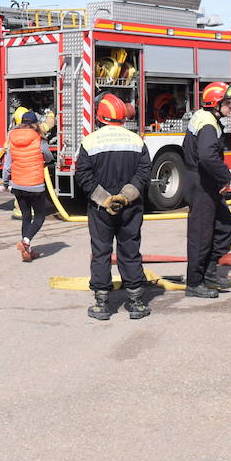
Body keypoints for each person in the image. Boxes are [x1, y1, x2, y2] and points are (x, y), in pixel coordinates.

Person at [74, 93, 153, 320]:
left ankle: (102, 304)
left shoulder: (90, 142)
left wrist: (104, 198)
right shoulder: (136, 141)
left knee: (101, 252)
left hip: (101, 210)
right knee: (130, 250)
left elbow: (83, 175)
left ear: (100, 117)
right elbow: (144, 172)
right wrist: (126, 196)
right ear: (122, 117)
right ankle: (136, 302)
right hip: (131, 208)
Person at [183, 82, 231, 298]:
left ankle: (210, 271)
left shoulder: (205, 117)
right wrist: (226, 177)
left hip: (205, 183)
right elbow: (207, 156)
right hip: (201, 185)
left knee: (225, 225)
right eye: (228, 102)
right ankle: (195, 283)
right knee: (201, 235)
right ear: (216, 103)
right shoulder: (207, 124)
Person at [2, 109, 54, 262]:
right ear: (35, 123)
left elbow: (7, 165)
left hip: (17, 184)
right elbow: (48, 156)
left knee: (26, 216)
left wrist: (5, 183)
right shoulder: (39, 137)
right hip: (34, 185)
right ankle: (26, 241)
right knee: (39, 217)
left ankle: (27, 251)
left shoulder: (11, 136)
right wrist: (47, 160)